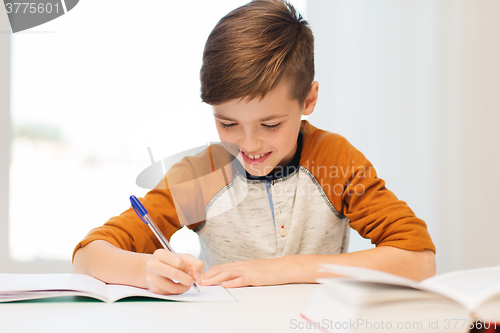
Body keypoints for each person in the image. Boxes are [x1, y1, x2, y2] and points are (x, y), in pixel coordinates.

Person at [73, 0, 436, 295]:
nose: (249, 144)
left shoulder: (334, 161)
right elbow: (89, 256)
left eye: (271, 124)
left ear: (308, 100)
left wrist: (283, 270)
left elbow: (418, 260)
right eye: (228, 124)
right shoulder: (203, 175)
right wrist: (145, 269)